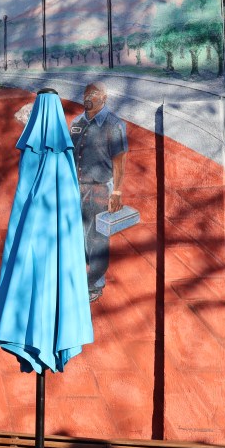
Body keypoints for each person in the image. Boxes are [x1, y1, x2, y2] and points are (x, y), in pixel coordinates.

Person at [69, 82, 128, 303]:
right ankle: (79, 279)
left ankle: (94, 284)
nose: (88, 97)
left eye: (93, 94)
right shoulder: (76, 123)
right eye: (86, 93)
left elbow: (119, 160)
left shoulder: (114, 124)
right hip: (75, 188)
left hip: (100, 188)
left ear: (104, 98)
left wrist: (117, 192)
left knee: (97, 238)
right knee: (77, 235)